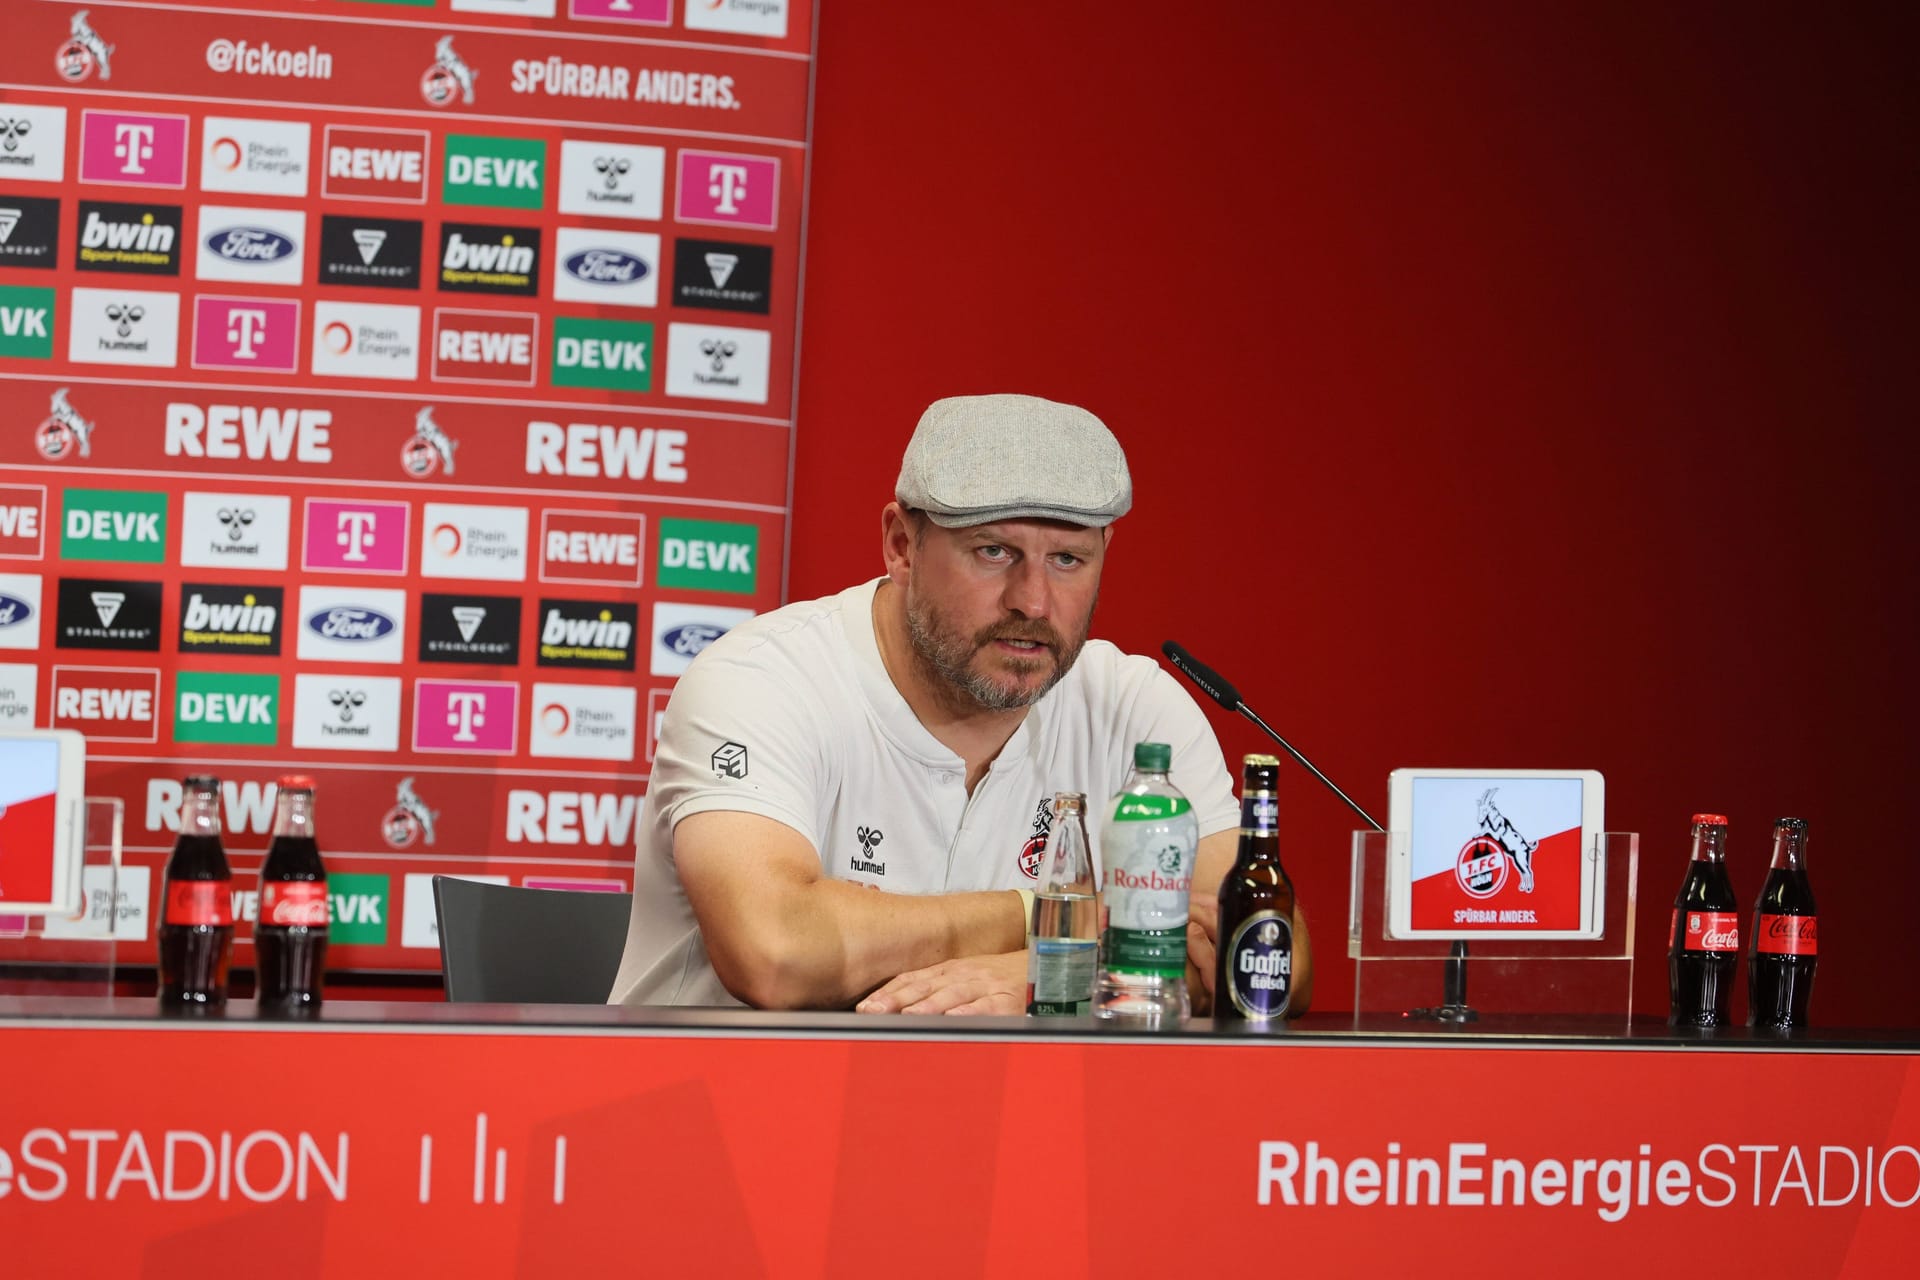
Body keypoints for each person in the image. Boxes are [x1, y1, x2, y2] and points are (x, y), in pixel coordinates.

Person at [607, 394, 1313, 1014]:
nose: (1033, 602)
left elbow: (1271, 956)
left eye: (1068, 560)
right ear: (900, 544)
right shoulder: (763, 679)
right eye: (994, 552)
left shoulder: (1135, 709)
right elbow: (776, 949)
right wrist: (1057, 919)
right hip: (719, 1121)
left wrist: (1053, 976)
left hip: (991, 1134)